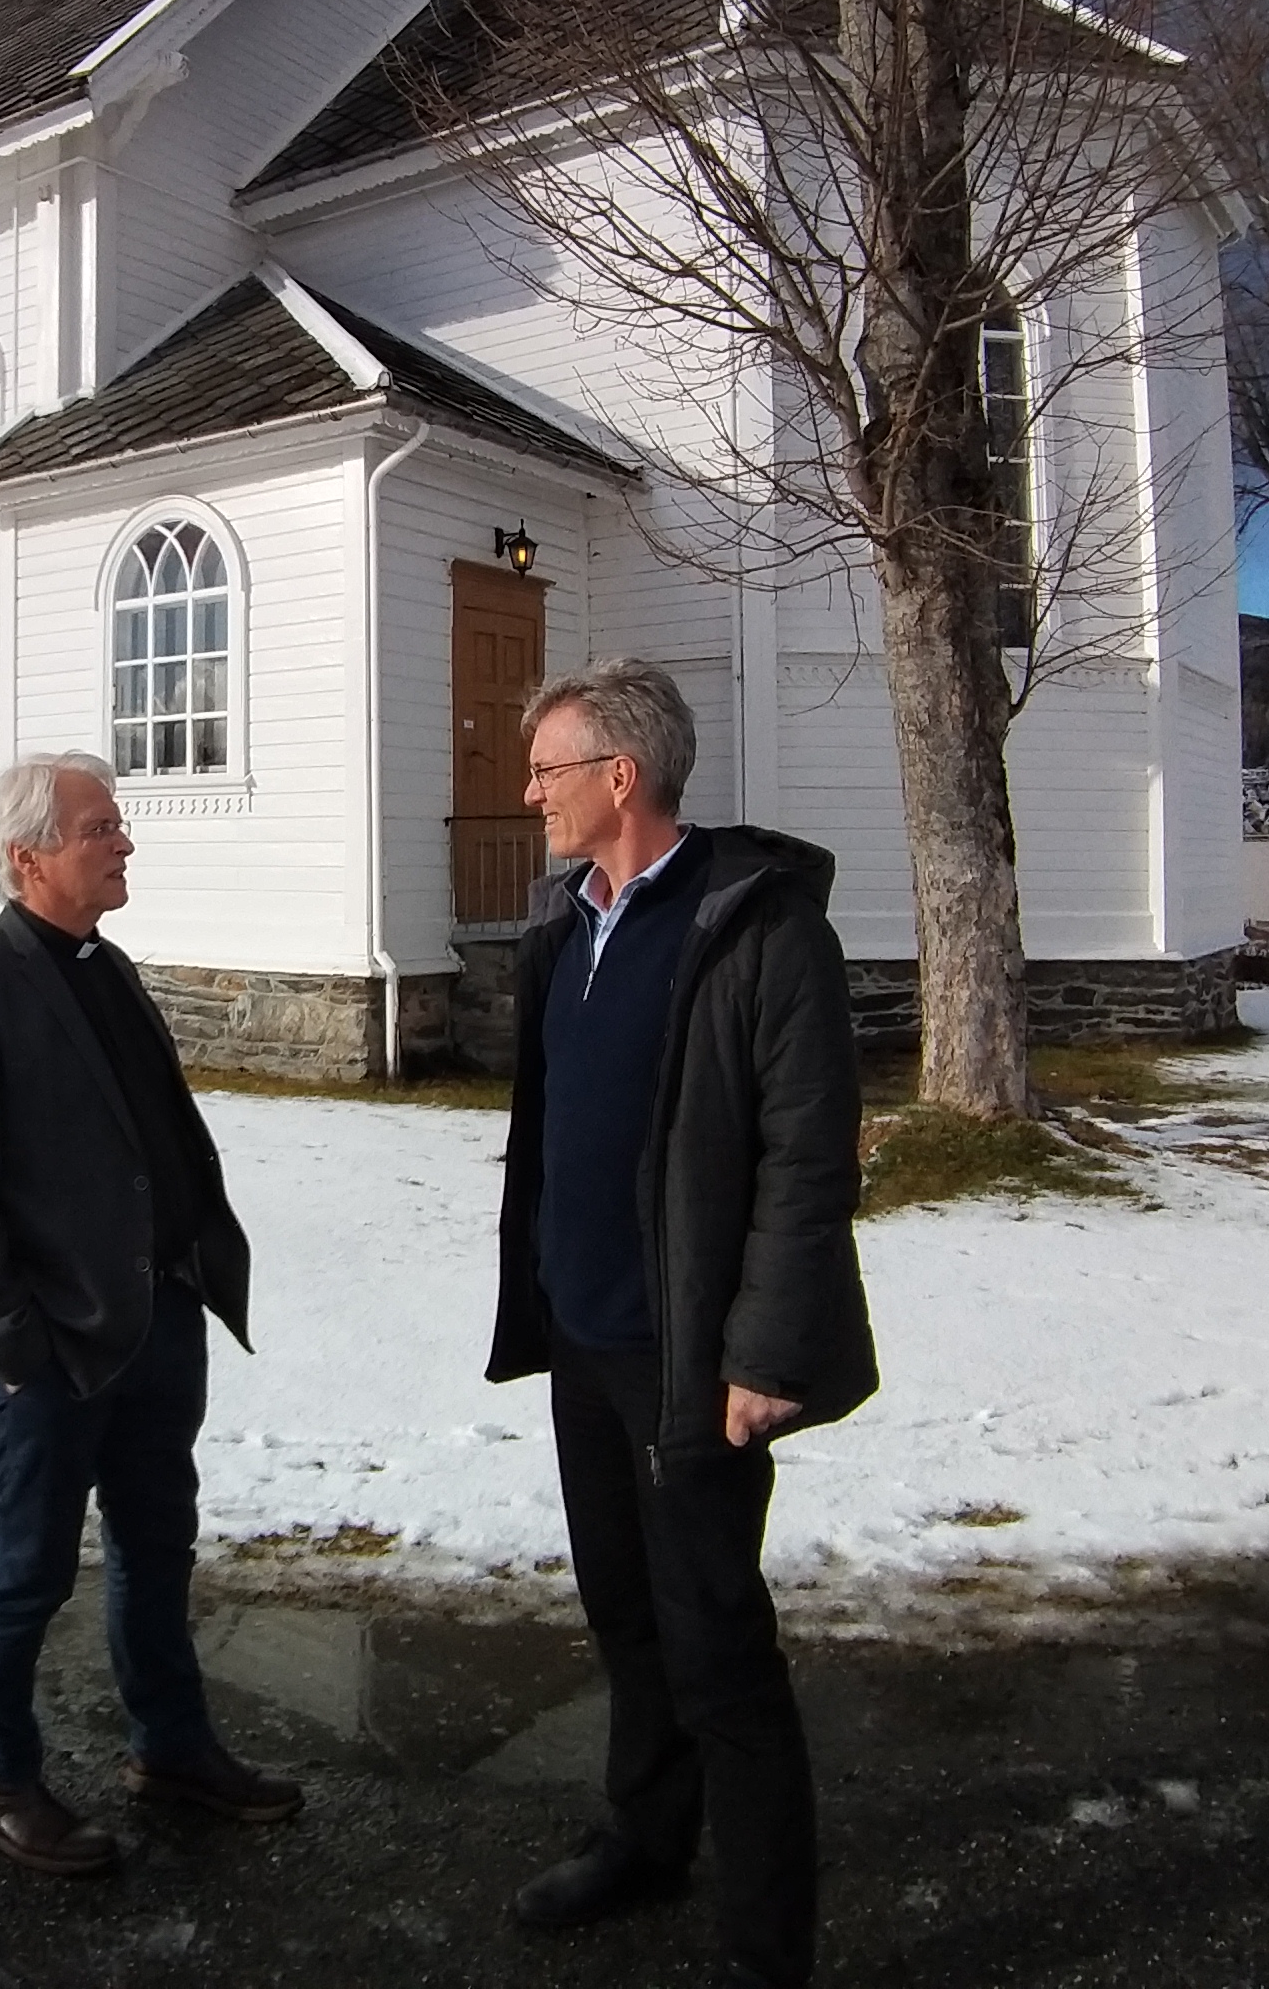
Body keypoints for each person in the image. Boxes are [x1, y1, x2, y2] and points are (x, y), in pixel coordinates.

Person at [488, 660, 877, 1989]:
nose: (526, 789)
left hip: (693, 1360)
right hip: (586, 1344)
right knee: (626, 1619)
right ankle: (647, 1842)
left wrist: (765, 1355)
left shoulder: (760, 930)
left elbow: (808, 1160)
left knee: (717, 1650)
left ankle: (768, 1954)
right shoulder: (567, 926)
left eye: (546, 768)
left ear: (621, 776)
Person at [0, 752, 303, 1876]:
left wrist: (191, 1268)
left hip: (156, 1319)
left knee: (155, 1547)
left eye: (118, 825)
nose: (123, 842)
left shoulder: (107, 969)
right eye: (100, 828)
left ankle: (170, 1748)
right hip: (46, 1348)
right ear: (29, 856)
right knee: (25, 1569)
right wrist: (8, 1343)